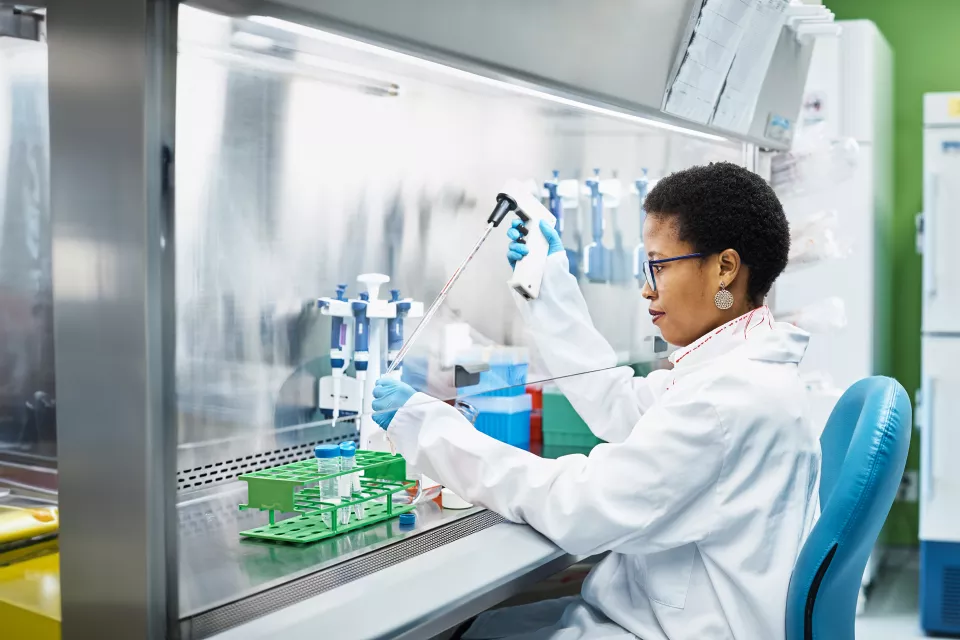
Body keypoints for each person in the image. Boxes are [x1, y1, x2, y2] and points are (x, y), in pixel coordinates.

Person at [372, 162, 821, 639]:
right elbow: (623, 404)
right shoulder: (737, 372)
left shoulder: (727, 400)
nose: (647, 288)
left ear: (725, 268)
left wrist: (430, 430)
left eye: (659, 266)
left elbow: (579, 505)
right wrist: (550, 291)